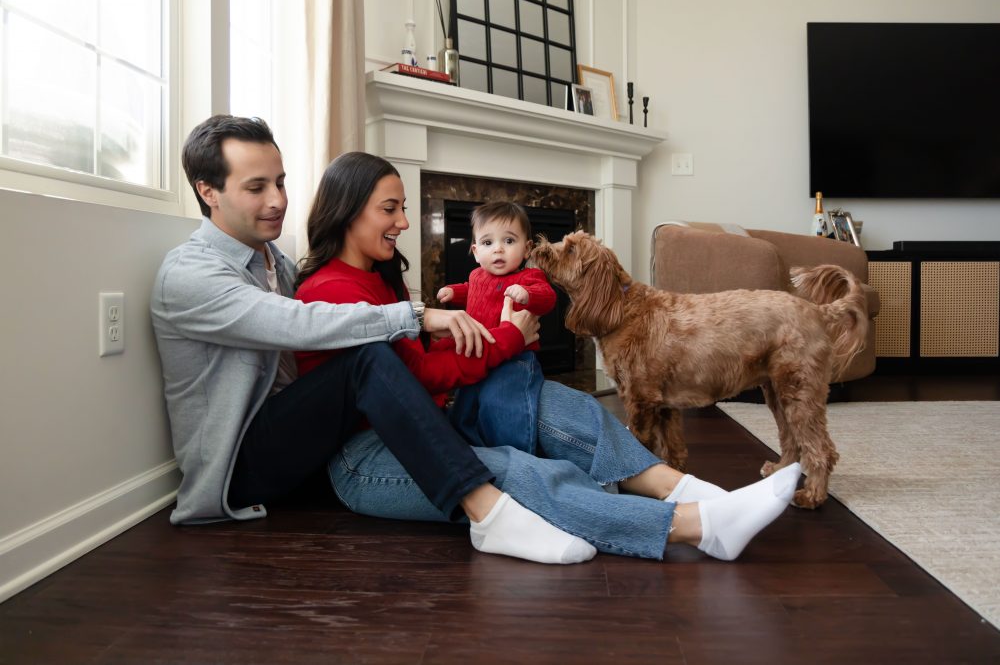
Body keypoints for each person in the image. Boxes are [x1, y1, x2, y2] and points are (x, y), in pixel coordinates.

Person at [294, 151, 803, 562]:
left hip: (427, 418)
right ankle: (697, 528)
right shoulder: (332, 289)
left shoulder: (378, 276)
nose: (404, 221)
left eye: (404, 206)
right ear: (349, 209)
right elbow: (416, 374)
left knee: (564, 405)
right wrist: (508, 341)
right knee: (514, 469)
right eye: (390, 208)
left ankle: (693, 490)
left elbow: (421, 365)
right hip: (367, 458)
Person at [150, 115, 604, 565]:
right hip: (238, 468)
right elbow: (298, 323)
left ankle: (633, 487)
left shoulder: (275, 263)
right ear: (208, 191)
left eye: (281, 183)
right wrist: (420, 316)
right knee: (366, 361)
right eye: (257, 187)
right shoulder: (191, 273)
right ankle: (486, 511)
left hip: (307, 442)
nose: (278, 200)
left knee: (543, 408)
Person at [436, 201, 554, 453]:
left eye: (509, 241)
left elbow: (547, 297)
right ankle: (476, 449)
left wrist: (527, 294)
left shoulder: (529, 278)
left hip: (514, 359)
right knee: (464, 405)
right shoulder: (477, 275)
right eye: (488, 243)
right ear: (476, 252)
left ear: (527, 249)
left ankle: (517, 453)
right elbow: (471, 291)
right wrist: (452, 292)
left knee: (505, 407)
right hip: (477, 353)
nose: (498, 249)